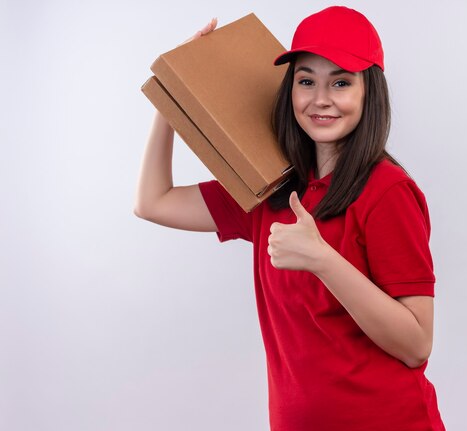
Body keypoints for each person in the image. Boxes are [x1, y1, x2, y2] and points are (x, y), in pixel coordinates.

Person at [135, 6, 445, 431]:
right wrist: (172, 89)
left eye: (340, 82)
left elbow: (416, 344)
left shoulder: (387, 191)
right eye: (306, 81)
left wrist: (322, 259)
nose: (320, 99)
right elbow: (154, 201)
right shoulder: (273, 190)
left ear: (369, 93)